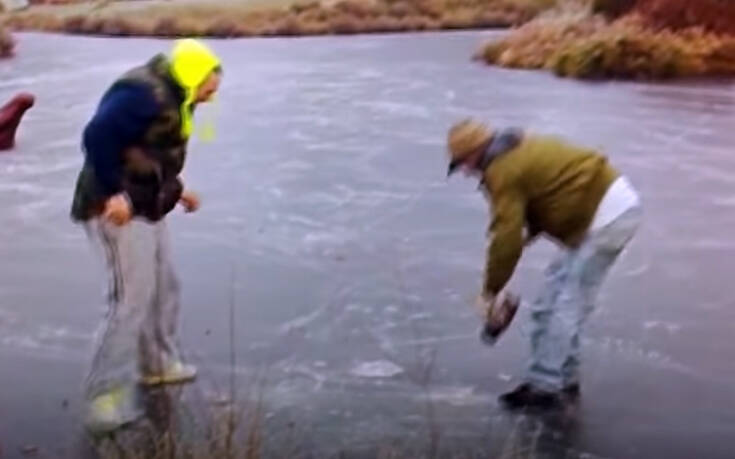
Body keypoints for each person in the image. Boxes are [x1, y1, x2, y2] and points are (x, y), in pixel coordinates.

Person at [70, 39, 222, 433]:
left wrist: (176, 188)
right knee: (130, 299)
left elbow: (151, 153)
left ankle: (156, 365)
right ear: (194, 76)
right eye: (210, 87)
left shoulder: (176, 96)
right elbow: (98, 136)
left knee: (165, 284)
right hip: (116, 210)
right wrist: (110, 194)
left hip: (146, 204)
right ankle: (103, 398)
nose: (211, 96)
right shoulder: (142, 94)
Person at [446, 119, 642, 409]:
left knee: (566, 305)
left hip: (608, 218)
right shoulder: (514, 148)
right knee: (547, 306)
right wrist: (522, 237)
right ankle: (564, 378)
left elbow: (506, 235)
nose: (464, 170)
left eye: (462, 162)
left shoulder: (503, 170)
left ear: (476, 151)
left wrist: (491, 291)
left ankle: (545, 387)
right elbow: (542, 198)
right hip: (595, 216)